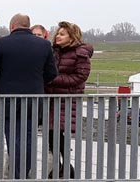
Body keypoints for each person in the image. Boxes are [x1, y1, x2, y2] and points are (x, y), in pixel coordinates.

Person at [0, 13, 58, 179]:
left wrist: (1, 86)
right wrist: (37, 84)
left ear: (12, 26)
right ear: (28, 26)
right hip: (33, 99)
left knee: (12, 137)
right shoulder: (44, 45)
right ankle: (24, 173)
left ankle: (16, 173)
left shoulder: (2, 43)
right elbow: (52, 73)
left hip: (8, 99)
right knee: (29, 137)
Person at [45, 21, 93, 178]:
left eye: (62, 34)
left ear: (72, 37)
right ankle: (60, 165)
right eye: (57, 33)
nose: (57, 36)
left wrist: (53, 79)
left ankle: (65, 165)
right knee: (51, 132)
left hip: (67, 99)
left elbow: (80, 76)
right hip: (51, 98)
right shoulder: (53, 51)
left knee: (59, 132)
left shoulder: (80, 53)